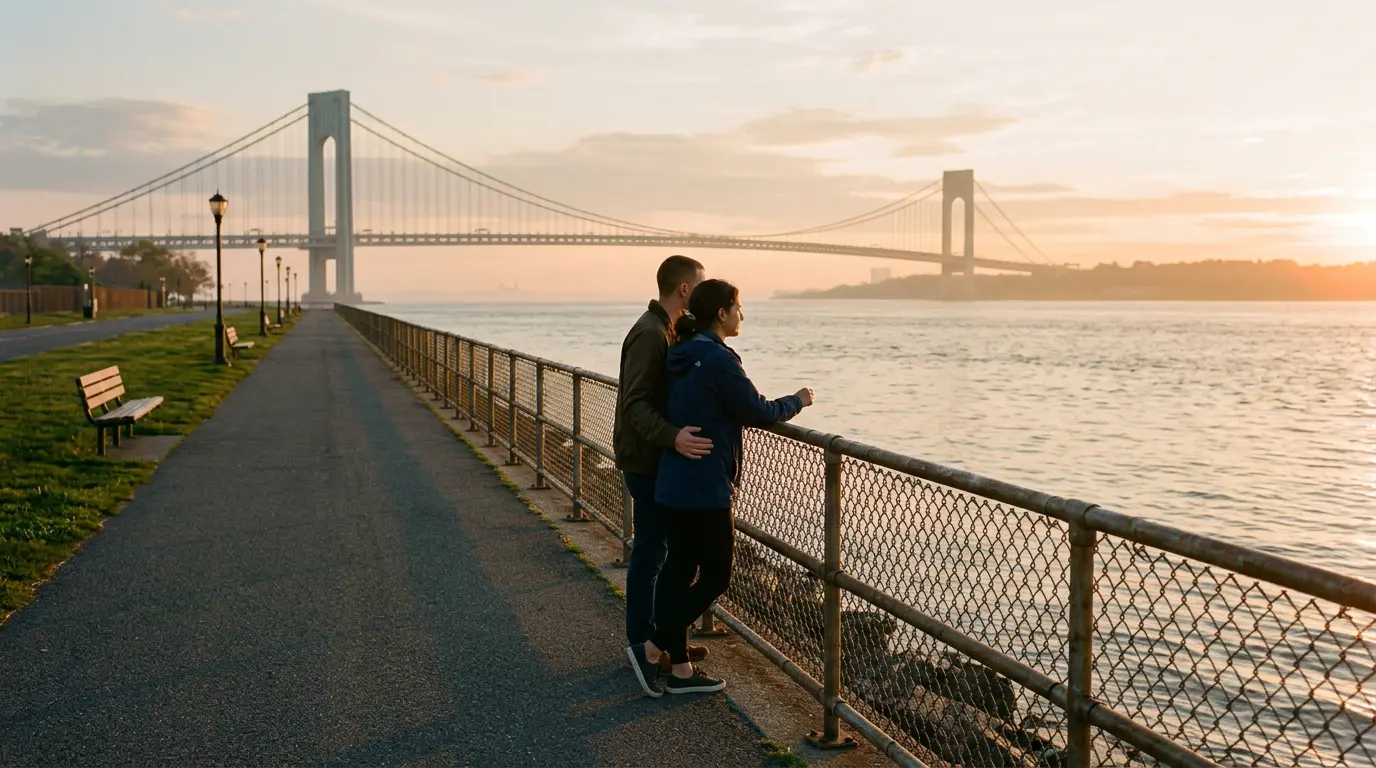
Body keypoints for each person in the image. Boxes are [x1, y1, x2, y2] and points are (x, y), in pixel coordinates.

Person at [626, 279, 814, 696]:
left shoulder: (678, 352)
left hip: (674, 480)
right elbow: (759, 410)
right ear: (722, 314)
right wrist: (799, 399)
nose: (742, 315)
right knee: (716, 577)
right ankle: (652, 648)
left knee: (676, 573)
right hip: (707, 486)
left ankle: (681, 672)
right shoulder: (717, 360)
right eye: (739, 308)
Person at [614, 254, 714, 687]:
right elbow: (634, 402)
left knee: (668, 555)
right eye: (701, 285)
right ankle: (644, 647)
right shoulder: (650, 334)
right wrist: (673, 437)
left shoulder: (667, 329)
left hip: (655, 460)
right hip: (648, 461)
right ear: (685, 289)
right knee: (652, 555)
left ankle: (665, 640)